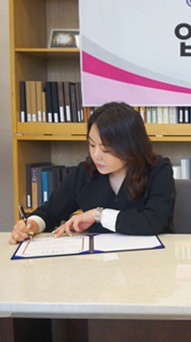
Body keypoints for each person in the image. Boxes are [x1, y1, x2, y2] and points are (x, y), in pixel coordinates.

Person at [9, 102, 175, 244]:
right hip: (98, 263)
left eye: (106, 149)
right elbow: (50, 212)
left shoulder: (158, 169)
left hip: (147, 261)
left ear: (131, 146)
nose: (96, 155)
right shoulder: (85, 172)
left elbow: (152, 222)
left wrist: (99, 215)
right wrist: (32, 224)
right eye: (92, 145)